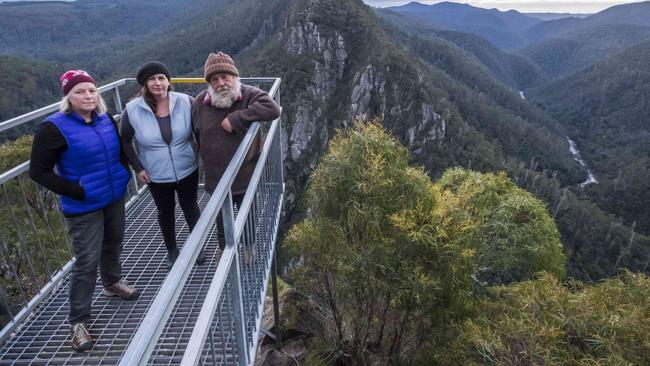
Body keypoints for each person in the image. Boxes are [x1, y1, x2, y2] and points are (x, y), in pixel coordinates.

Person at [29, 70, 138, 352]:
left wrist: (127, 173)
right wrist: (76, 190)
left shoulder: (105, 119)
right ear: (68, 97)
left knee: (113, 244)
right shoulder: (53, 128)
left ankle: (112, 282)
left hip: (113, 195)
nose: (88, 96)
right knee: (87, 261)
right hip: (83, 205)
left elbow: (120, 150)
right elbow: (39, 172)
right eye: (80, 92)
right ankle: (78, 321)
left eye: (91, 90)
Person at [120, 61, 204, 269]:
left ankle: (197, 245)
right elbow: (125, 140)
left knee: (190, 207)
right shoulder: (132, 110)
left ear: (168, 81)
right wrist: (138, 167)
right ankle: (171, 249)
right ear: (145, 84)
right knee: (165, 211)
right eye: (152, 79)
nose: (157, 83)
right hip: (155, 172)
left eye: (161, 78)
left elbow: (200, 129)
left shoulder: (186, 101)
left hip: (187, 167)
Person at [191, 52, 280, 247]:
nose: (221, 83)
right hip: (216, 179)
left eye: (225, 77)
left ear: (235, 77)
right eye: (214, 79)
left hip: (244, 176)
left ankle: (248, 248)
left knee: (248, 216)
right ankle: (223, 249)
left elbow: (273, 109)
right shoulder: (200, 101)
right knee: (221, 221)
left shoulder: (248, 94)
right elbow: (194, 132)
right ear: (209, 83)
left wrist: (236, 119)